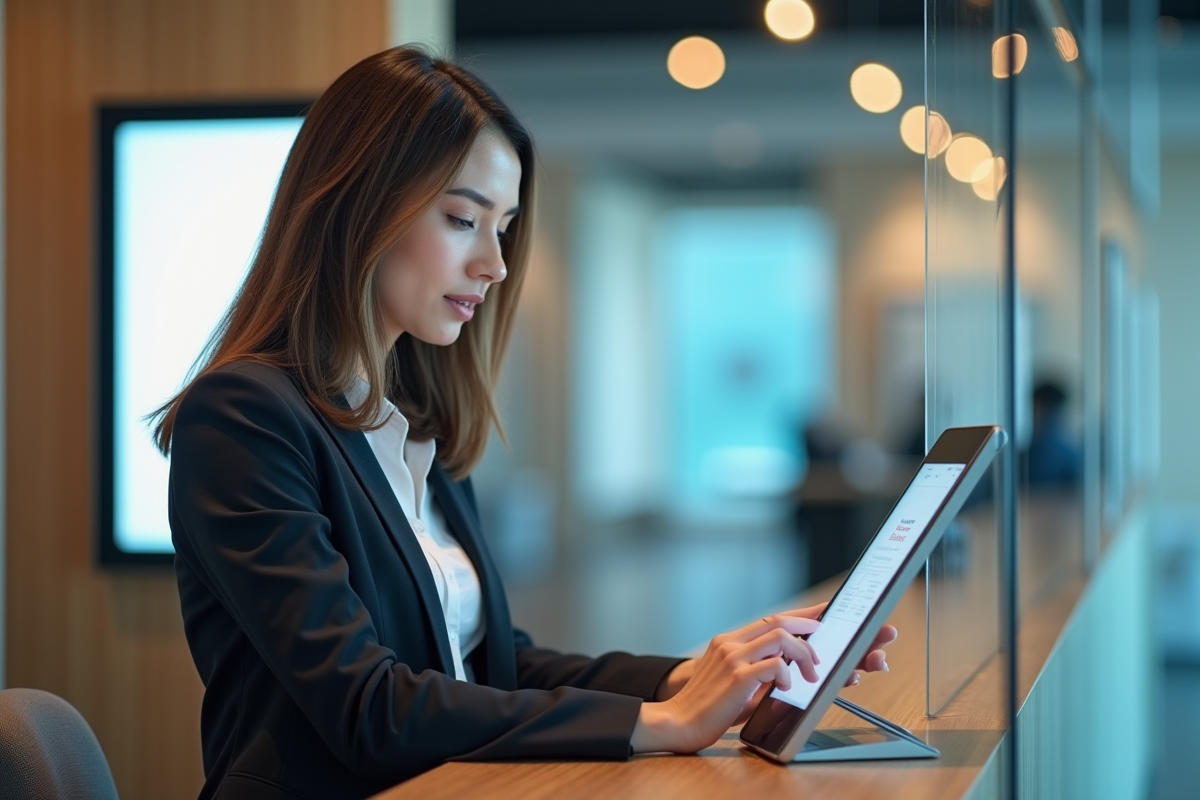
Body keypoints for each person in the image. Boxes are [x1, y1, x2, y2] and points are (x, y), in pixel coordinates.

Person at [154, 47, 896, 800]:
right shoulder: (245, 418)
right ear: (357, 204)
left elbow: (494, 661)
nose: (495, 264)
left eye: (502, 228)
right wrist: (658, 722)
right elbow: (367, 708)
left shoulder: (410, 426)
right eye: (462, 219)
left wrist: (702, 673)